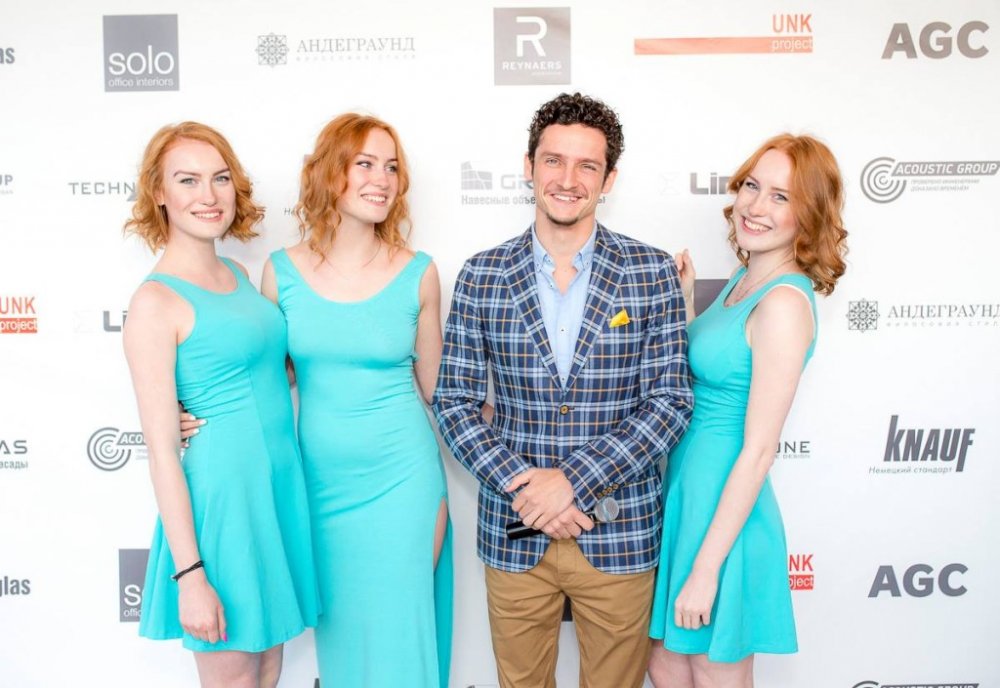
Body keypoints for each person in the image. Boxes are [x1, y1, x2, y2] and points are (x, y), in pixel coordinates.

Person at [433, 92, 693, 688]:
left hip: (621, 533)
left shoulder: (651, 271)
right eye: (553, 161)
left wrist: (572, 480)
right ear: (529, 167)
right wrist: (528, 489)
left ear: (609, 179)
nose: (568, 179)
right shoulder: (481, 274)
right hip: (515, 529)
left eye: (587, 166)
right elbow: (453, 402)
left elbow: (670, 402)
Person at [122, 122, 320, 688]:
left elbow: (262, 370)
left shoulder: (236, 273)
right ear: (159, 192)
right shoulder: (155, 301)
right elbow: (163, 453)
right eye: (188, 180)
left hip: (274, 492)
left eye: (220, 178)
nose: (208, 195)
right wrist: (191, 575)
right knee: (235, 677)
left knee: (270, 668)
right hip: (223, 504)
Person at [647, 134, 848, 687]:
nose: (756, 206)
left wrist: (707, 569)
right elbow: (721, 366)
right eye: (753, 187)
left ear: (809, 214)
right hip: (688, 496)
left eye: (781, 197)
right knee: (666, 665)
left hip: (724, 517)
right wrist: (687, 302)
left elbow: (759, 450)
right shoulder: (745, 280)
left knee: (713, 670)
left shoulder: (783, 302)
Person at [266, 113, 452, 687]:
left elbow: (439, 389)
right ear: (331, 173)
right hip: (321, 489)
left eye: (391, 167)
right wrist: (186, 413)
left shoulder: (418, 273)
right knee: (343, 640)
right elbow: (265, 383)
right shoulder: (280, 273)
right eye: (365, 163)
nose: (382, 179)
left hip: (404, 482)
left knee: (401, 635)